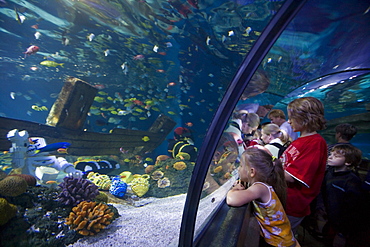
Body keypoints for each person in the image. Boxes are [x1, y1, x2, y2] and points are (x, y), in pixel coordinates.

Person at [227, 147, 300, 247]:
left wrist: (234, 189)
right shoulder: (264, 185)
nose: (238, 169)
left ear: (252, 172)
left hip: (281, 243)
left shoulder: (260, 188)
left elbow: (232, 200)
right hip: (283, 240)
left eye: (240, 165)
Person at [281, 97, 327, 235]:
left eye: (292, 118)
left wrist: (265, 169)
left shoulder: (315, 143)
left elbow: (291, 177)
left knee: (282, 239)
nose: (289, 122)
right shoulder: (299, 140)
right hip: (284, 200)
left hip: (292, 205)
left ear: (306, 118)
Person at [322, 144, 368, 246]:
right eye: (331, 154)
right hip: (331, 220)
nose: (330, 157)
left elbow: (354, 211)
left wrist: (342, 233)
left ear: (348, 162)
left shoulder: (352, 182)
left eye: (336, 156)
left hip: (343, 226)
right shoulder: (329, 173)